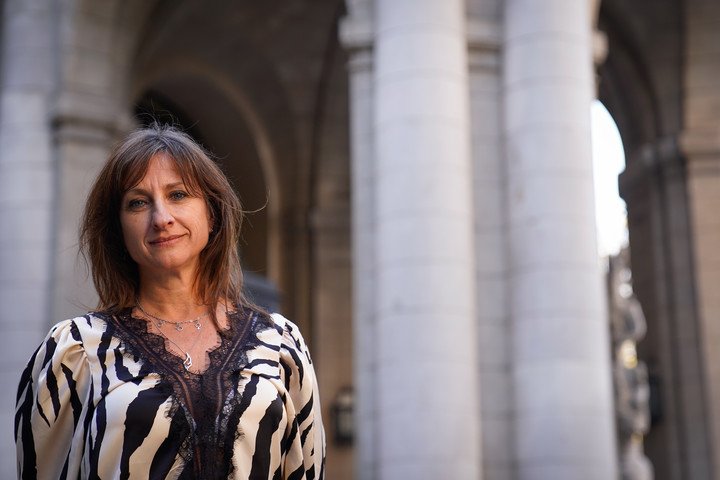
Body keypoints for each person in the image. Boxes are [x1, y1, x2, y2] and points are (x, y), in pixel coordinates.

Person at [15, 124, 325, 479]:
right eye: (138, 203)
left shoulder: (281, 344)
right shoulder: (74, 351)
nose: (161, 218)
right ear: (118, 230)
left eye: (178, 195)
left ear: (212, 213)